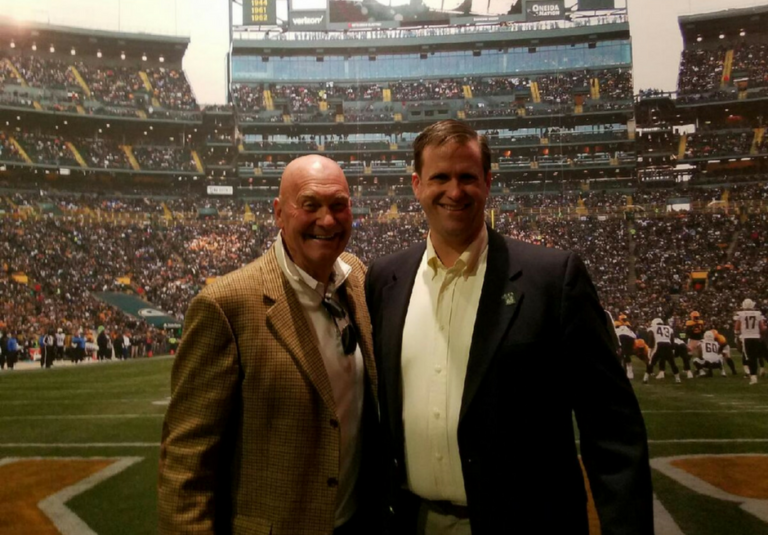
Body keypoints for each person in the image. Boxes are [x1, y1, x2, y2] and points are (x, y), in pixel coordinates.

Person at [365, 120, 653, 535]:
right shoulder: (385, 279)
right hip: (413, 521)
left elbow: (611, 429)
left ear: (487, 181)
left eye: (467, 177)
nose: (455, 191)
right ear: (416, 184)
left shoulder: (552, 278)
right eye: (439, 178)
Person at [158, 155, 380, 535]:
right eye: (309, 205)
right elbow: (186, 460)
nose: (326, 220)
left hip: (359, 524)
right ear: (279, 213)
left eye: (337, 205)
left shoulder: (360, 280)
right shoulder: (227, 305)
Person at [734, 298, 766, 385]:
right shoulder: (758, 313)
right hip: (756, 338)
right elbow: (762, 328)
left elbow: (737, 328)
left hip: (746, 338)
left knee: (751, 358)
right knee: (759, 356)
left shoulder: (740, 314)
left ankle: (753, 377)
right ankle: (758, 372)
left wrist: (737, 336)